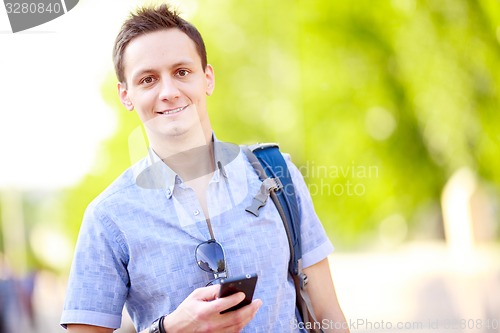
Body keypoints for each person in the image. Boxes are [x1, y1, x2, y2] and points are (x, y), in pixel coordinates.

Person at [60, 4, 349, 333]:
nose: (169, 92)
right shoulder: (107, 218)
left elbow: (328, 314)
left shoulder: (278, 175)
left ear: (207, 78)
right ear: (126, 95)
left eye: (182, 72)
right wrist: (168, 329)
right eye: (148, 79)